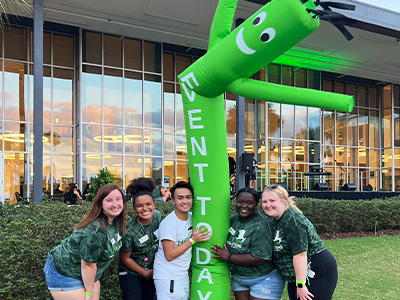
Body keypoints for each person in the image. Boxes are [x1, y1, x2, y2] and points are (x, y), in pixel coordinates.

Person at [43, 184, 127, 300]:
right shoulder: (95, 231)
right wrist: (89, 293)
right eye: (109, 200)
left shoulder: (116, 221)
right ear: (100, 204)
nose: (115, 204)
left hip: (88, 273)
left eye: (118, 199)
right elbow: (88, 265)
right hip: (65, 271)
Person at [261, 184, 338, 300]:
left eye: (272, 200)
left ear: (283, 200)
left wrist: (301, 285)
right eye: (264, 201)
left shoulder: (292, 220)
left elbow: (300, 254)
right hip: (298, 273)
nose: (268, 205)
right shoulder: (278, 219)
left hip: (316, 269)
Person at [211, 187, 285, 300]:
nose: (244, 206)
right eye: (240, 202)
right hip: (239, 278)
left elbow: (259, 258)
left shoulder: (261, 225)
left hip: (264, 278)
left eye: (249, 203)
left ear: (256, 205)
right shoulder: (233, 220)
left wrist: (229, 256)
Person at [153, 181, 210, 300]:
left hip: (181, 274)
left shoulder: (191, 217)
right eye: (180, 198)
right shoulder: (169, 223)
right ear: (173, 200)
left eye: (188, 197)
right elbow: (169, 254)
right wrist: (192, 240)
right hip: (168, 275)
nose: (185, 201)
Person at [118, 177, 161, 300]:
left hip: (151, 271)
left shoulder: (157, 216)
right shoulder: (129, 231)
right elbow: (125, 258)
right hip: (131, 272)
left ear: (154, 204)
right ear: (134, 208)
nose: (145, 209)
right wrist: (144, 272)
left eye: (148, 204)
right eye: (139, 206)